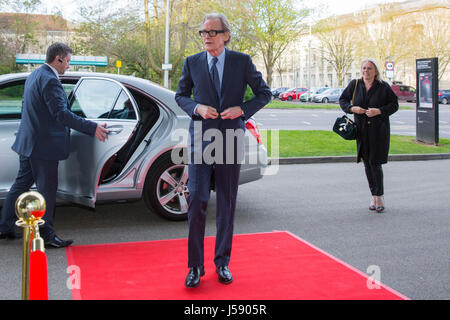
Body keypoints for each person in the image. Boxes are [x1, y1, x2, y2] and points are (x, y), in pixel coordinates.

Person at [175, 13, 271, 288]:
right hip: (200, 141)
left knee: (227, 203)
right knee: (197, 200)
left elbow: (264, 93)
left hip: (230, 139)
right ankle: (195, 266)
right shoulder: (192, 62)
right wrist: (196, 108)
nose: (206, 36)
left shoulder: (242, 62)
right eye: (203, 32)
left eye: (212, 32)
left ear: (226, 35)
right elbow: (181, 95)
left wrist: (243, 110)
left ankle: (222, 263)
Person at [0, 42, 109, 248]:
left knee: (21, 185)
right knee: (47, 190)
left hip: (29, 141)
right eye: (67, 61)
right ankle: (47, 235)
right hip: (44, 147)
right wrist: (92, 127)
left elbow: (29, 108)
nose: (68, 65)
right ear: (58, 59)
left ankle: (4, 227)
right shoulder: (50, 80)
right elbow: (61, 114)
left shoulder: (34, 75)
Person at [339, 58, 399, 213]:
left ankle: (379, 196)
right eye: (364, 68)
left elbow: (394, 105)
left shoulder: (383, 86)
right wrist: (352, 109)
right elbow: (343, 100)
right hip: (361, 130)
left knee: (375, 163)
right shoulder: (355, 84)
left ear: (376, 71)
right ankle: (373, 195)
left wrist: (379, 111)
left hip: (378, 131)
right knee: (367, 163)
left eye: (369, 68)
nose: (366, 71)